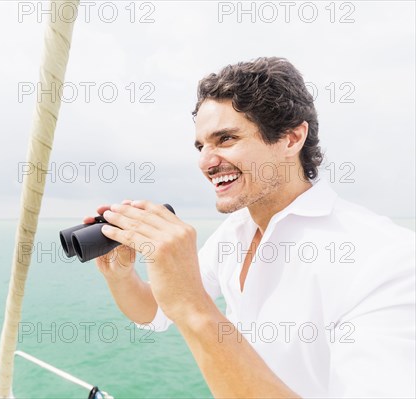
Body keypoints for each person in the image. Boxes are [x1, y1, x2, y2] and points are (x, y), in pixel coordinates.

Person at [83, 57, 415, 398]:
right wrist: (120, 274)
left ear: (291, 138)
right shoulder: (235, 231)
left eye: (225, 139)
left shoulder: (386, 259)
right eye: (201, 146)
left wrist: (194, 308)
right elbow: (155, 311)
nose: (206, 162)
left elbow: (187, 304)